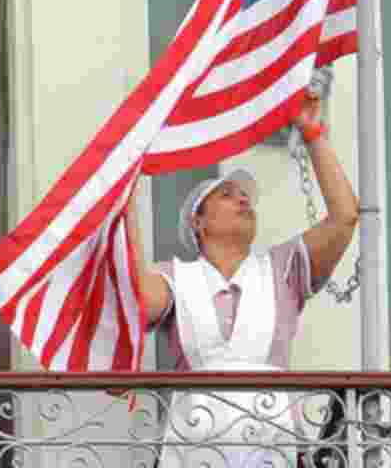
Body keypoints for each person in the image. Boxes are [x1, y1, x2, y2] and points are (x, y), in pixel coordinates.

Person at [128, 93, 359, 468]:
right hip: (194, 452)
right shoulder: (176, 278)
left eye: (246, 197)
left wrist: (314, 133)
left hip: (274, 448)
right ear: (198, 222)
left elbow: (345, 218)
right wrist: (127, 205)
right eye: (226, 194)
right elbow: (136, 300)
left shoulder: (281, 269)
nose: (242, 200)